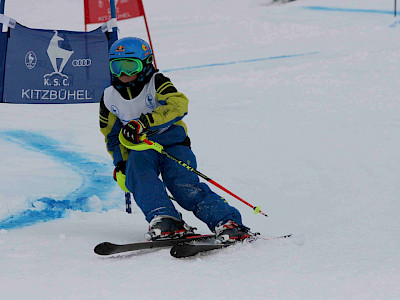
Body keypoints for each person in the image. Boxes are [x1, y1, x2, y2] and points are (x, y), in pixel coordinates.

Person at [99, 37, 254, 243]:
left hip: (173, 144)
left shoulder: (157, 82)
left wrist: (145, 122)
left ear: (145, 64)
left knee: (183, 186)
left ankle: (226, 221)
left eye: (130, 66)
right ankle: (165, 219)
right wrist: (121, 162)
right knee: (141, 181)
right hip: (141, 149)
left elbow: (178, 104)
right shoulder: (109, 97)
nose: (123, 74)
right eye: (117, 67)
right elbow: (111, 135)